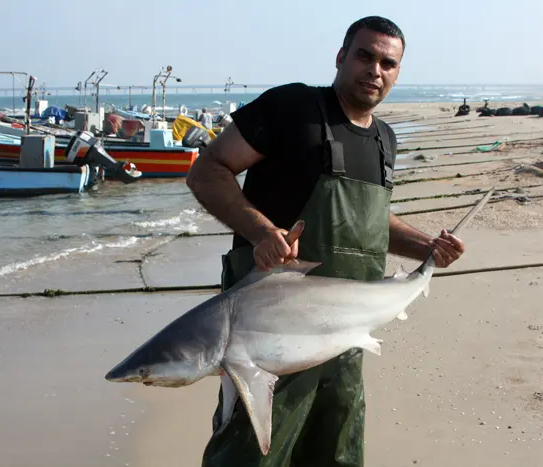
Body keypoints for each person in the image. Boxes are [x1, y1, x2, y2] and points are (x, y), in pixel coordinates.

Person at [186, 15, 466, 466]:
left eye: (388, 63)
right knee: (249, 455)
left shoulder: (384, 139)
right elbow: (208, 170)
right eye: (365, 55)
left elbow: (372, 222)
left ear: (397, 74)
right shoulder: (291, 108)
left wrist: (428, 248)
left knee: (336, 452)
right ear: (340, 57)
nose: (375, 70)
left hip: (344, 338)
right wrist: (262, 231)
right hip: (265, 337)